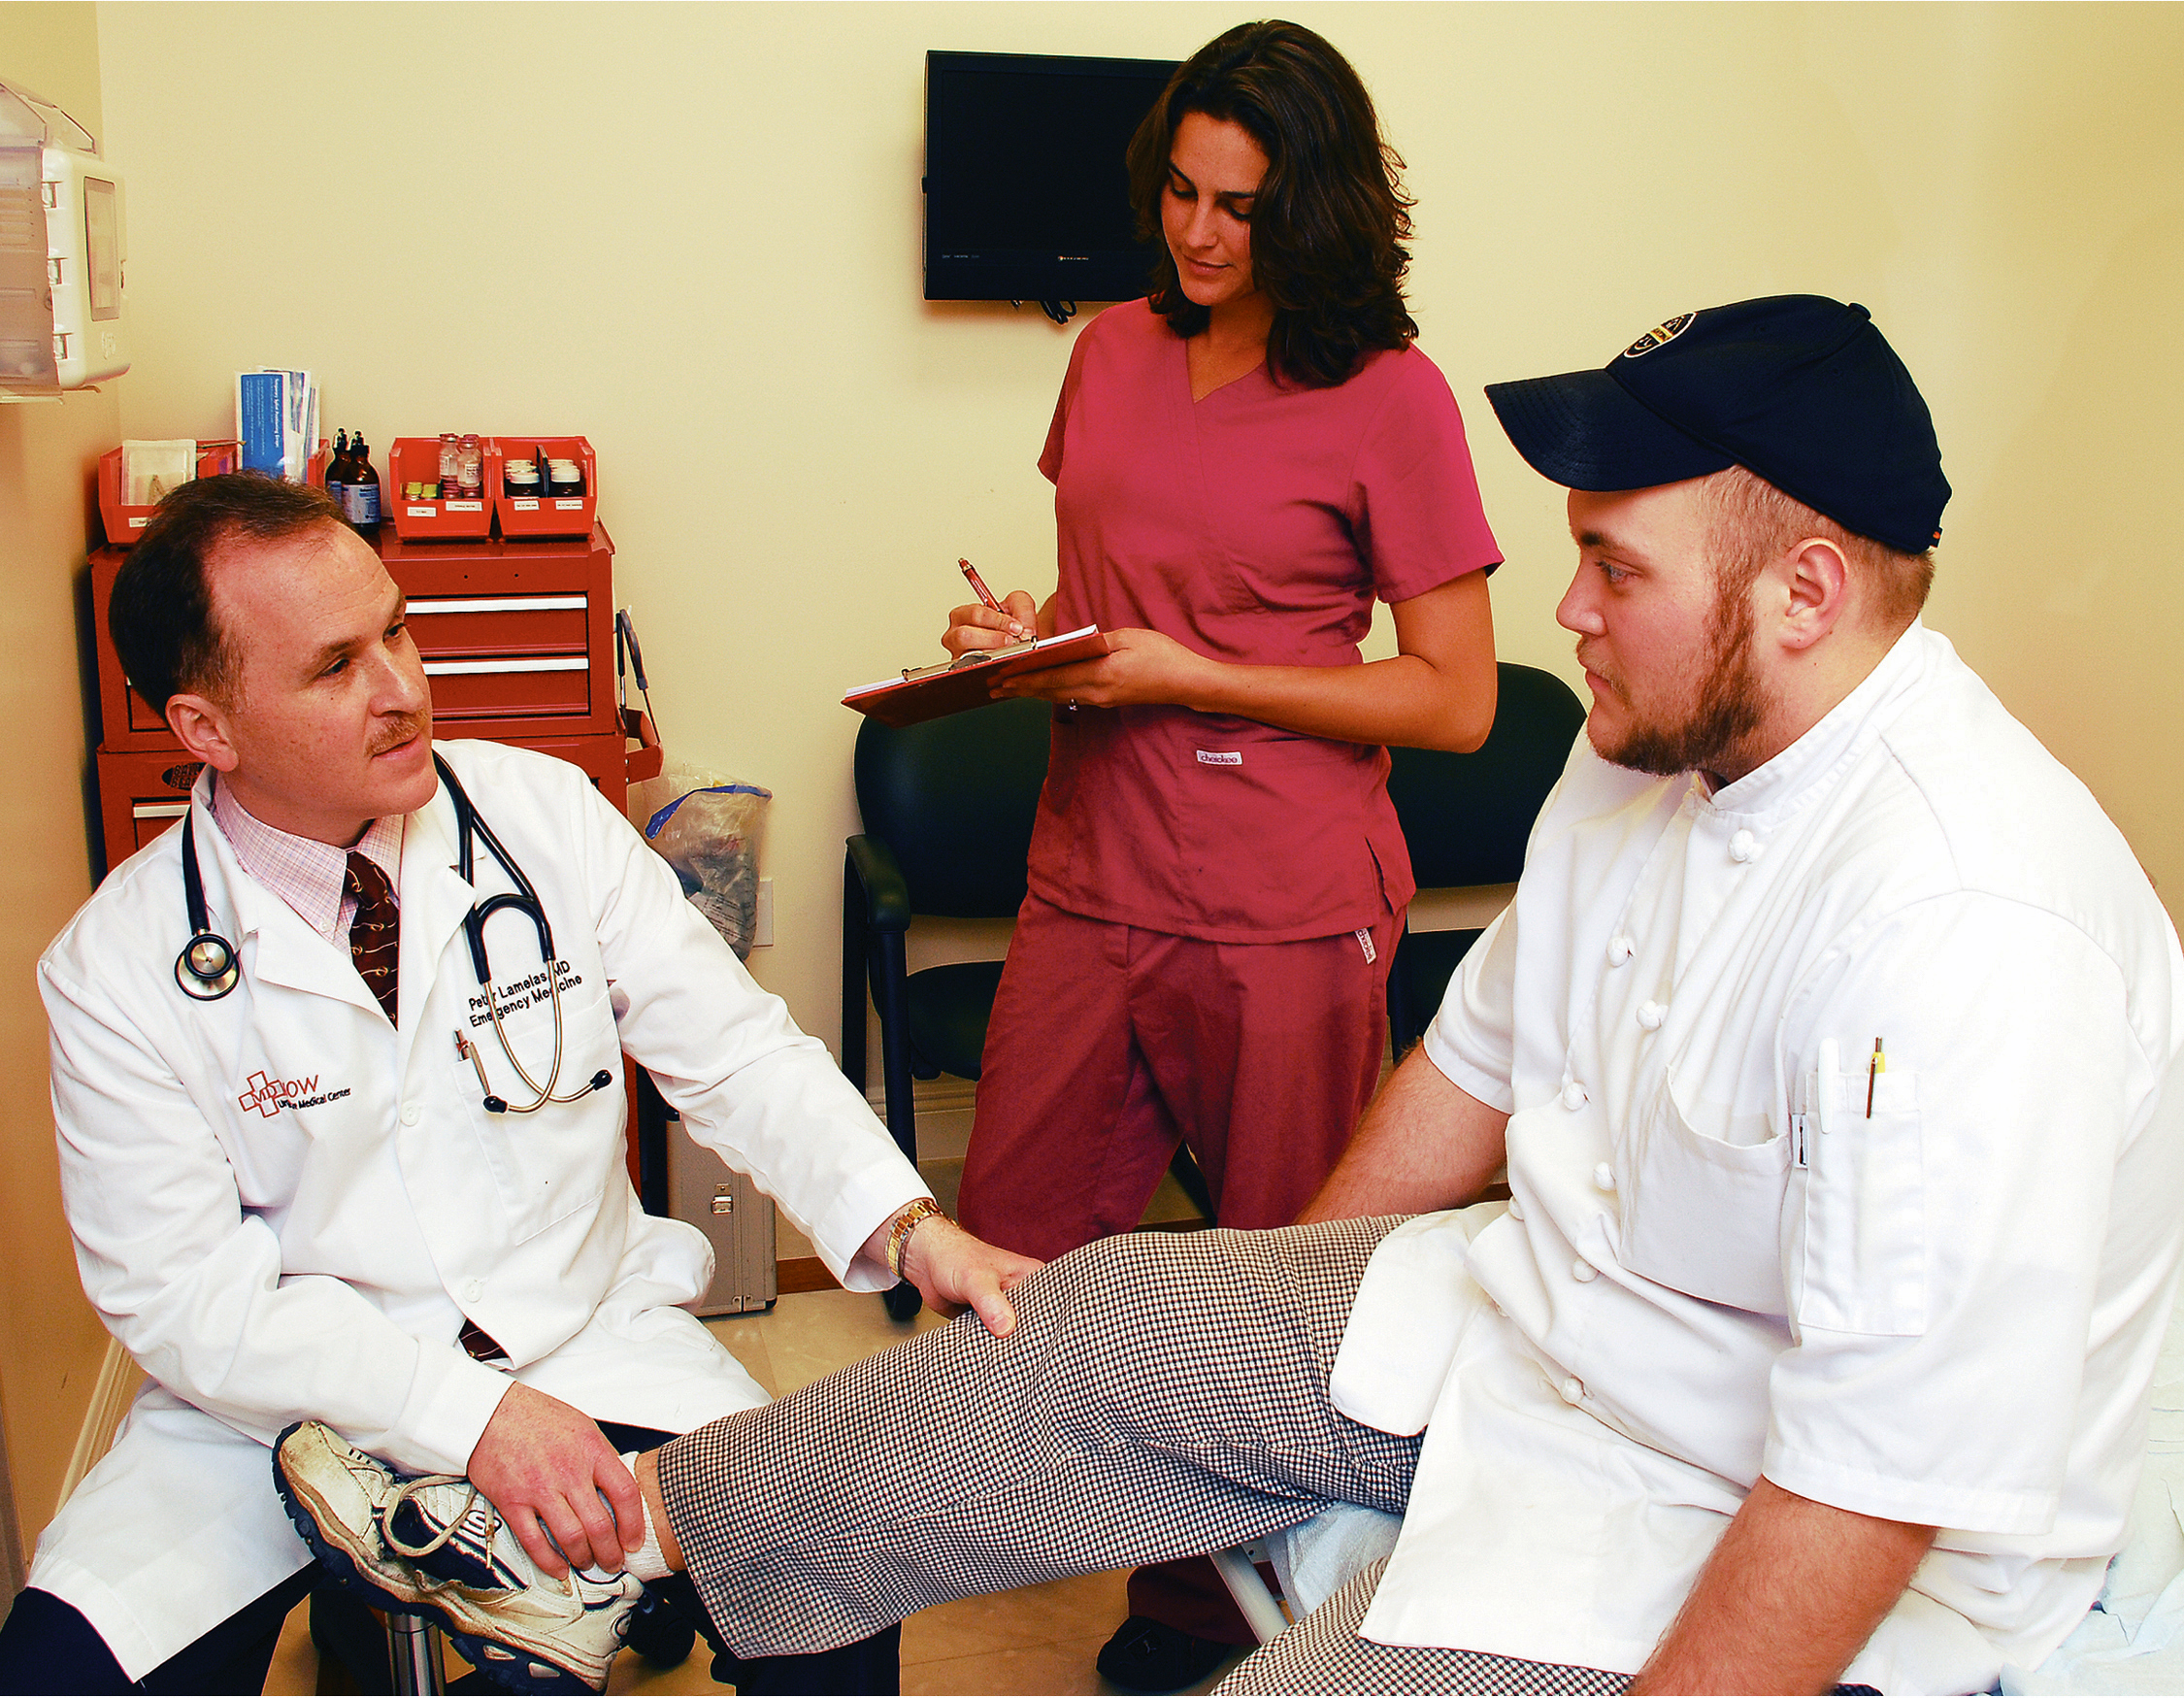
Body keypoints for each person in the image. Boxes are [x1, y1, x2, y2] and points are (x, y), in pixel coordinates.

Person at [288, 294, 2184, 1695]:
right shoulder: (1648, 761)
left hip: (1788, 1506)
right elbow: (1471, 1065)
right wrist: (1274, 1371)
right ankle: (625, 1551)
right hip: (1567, 1327)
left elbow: (1867, 1487)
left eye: (1613, 568)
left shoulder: (1966, 924)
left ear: (1806, 592)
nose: (1565, 615)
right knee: (1096, 1308)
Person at [0, 474, 1038, 1695]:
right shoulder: (118, 970)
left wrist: (914, 1229)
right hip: (280, 1408)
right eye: (334, 667)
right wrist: (470, 1418)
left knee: (833, 1592)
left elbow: (738, 1053)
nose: (401, 687)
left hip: (582, 1338)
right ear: (206, 730)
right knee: (60, 1677)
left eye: (396, 630)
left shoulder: (543, 819)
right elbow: (187, 1302)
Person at [945, 21, 1500, 1679]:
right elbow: (1118, 594)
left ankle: (1210, 1608)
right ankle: (1045, 1511)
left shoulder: (1389, 397)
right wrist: (1026, 638)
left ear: (1312, 208)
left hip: (1281, 897)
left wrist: (1190, 674)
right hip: (1090, 867)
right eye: (1180, 192)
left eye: (1239, 207)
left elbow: (1456, 696)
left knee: (1278, 1279)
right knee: (1014, 1235)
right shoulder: (1113, 352)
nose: (1196, 233)